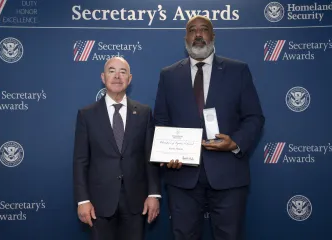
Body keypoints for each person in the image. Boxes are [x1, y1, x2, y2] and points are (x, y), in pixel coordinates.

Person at [154, 16, 265, 240]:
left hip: (228, 175)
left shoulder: (238, 71)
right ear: (185, 37)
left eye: (203, 30)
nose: (197, 35)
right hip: (182, 175)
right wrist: (168, 154)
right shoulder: (169, 75)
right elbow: (161, 120)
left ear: (212, 36)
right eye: (192, 30)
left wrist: (236, 143)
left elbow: (254, 117)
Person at [73, 57, 161, 240]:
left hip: (136, 202)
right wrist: (83, 200)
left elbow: (149, 157)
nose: (117, 76)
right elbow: (80, 161)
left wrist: (154, 194)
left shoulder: (144, 113)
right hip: (99, 203)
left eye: (123, 72)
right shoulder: (86, 115)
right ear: (103, 77)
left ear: (129, 79)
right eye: (111, 71)